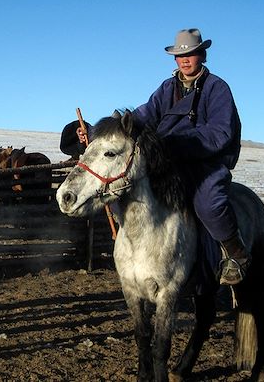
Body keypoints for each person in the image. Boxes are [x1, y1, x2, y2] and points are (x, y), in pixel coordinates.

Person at [79, 28, 249, 286]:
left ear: (202, 55)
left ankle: (236, 253)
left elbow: (220, 132)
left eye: (190, 54)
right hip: (171, 162)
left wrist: (177, 143)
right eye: (180, 56)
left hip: (205, 162)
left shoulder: (217, 89)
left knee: (208, 203)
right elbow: (141, 116)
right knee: (128, 191)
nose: (185, 60)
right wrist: (100, 132)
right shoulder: (167, 88)